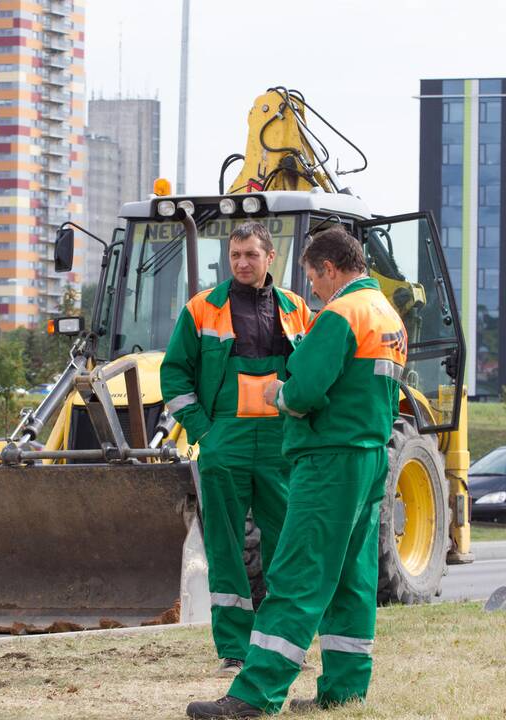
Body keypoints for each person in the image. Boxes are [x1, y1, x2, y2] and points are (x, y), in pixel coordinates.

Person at [185, 226, 407, 718]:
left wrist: (277, 394)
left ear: (329, 268)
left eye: (314, 278)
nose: (313, 290)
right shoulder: (387, 315)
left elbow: (304, 390)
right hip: (370, 457)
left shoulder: (341, 315)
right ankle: (345, 689)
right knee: (352, 577)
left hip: (328, 459)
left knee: (296, 573)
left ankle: (253, 694)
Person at [161, 221, 311, 677]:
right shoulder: (202, 309)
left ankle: (283, 644)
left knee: (287, 545)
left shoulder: (298, 309)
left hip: (280, 445)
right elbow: (174, 377)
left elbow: (312, 372)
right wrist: (205, 432)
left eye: (250, 255)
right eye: (235, 256)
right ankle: (234, 649)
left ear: (270, 258)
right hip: (224, 441)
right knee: (225, 548)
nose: (242, 263)